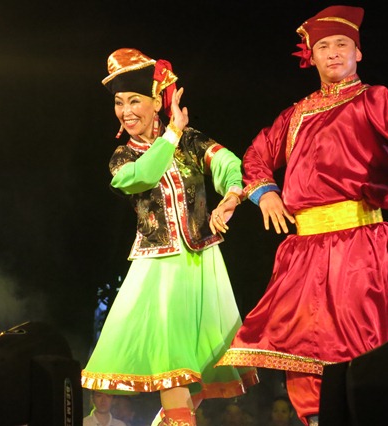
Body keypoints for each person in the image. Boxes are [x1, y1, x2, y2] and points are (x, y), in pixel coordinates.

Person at [216, 5, 388, 426]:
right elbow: (257, 155)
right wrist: (265, 193)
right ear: (312, 57)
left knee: (364, 340)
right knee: (302, 341)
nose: (333, 52)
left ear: (358, 53)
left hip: (359, 241)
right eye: (323, 47)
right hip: (304, 247)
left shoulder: (373, 98)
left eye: (342, 44)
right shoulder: (296, 114)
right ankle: (314, 418)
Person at [81, 48, 258, 426]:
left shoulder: (190, 141)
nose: (125, 111)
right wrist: (172, 133)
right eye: (119, 102)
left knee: (197, 366)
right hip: (160, 269)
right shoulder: (123, 157)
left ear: (156, 102)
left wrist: (231, 196)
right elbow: (142, 176)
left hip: (202, 263)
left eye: (134, 100)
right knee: (172, 365)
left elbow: (228, 163)